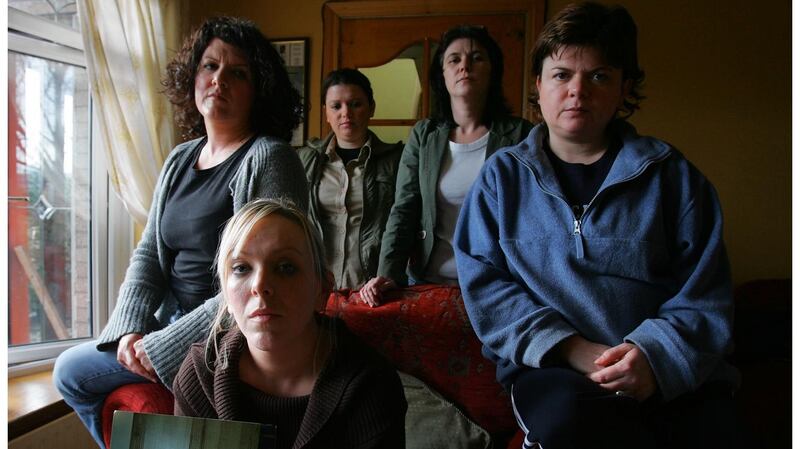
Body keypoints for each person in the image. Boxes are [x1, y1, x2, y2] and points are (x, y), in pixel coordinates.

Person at [454, 3, 740, 448]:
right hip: (552, 371)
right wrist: (573, 349)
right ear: (539, 85)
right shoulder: (501, 179)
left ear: (624, 88)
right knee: (571, 423)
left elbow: (705, 293)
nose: (577, 91)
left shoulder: (672, 176)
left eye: (599, 76)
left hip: (661, 369)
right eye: (561, 75)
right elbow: (484, 287)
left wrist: (652, 357)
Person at [53, 17, 308, 448]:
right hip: (165, 323)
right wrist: (131, 329)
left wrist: (165, 345)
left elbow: (265, 281)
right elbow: (148, 255)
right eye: (210, 66)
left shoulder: (270, 158)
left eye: (238, 73)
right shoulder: (178, 160)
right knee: (70, 372)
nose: (219, 79)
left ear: (259, 90)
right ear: (191, 77)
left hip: (231, 334)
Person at [173, 198, 407, 449]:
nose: (260, 285)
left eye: (285, 267)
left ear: (322, 289)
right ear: (226, 296)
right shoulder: (199, 375)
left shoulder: (370, 386)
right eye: (241, 268)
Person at [360, 25, 533, 305]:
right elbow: (404, 208)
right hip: (428, 283)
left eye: (477, 58)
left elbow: (532, 219)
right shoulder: (424, 135)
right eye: (454, 59)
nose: (465, 66)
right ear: (442, 73)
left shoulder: (521, 135)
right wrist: (387, 273)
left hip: (498, 288)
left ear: (493, 71)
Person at [298, 69, 403, 290]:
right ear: (326, 113)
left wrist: (387, 276)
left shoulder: (396, 160)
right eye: (336, 106)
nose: (346, 113)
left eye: (355, 104)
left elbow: (403, 225)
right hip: (314, 288)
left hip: (372, 288)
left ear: (371, 108)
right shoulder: (306, 159)